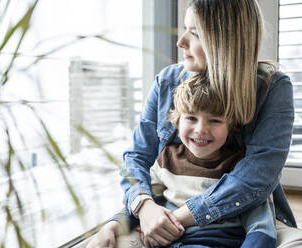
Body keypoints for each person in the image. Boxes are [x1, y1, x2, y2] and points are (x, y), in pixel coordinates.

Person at [87, 0, 302, 247]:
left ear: (227, 41)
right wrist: (144, 209)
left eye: (195, 33)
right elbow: (137, 157)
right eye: (185, 29)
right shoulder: (167, 81)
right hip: (161, 209)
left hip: (241, 213)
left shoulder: (272, 87)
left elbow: (255, 179)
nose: (181, 42)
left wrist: (172, 220)